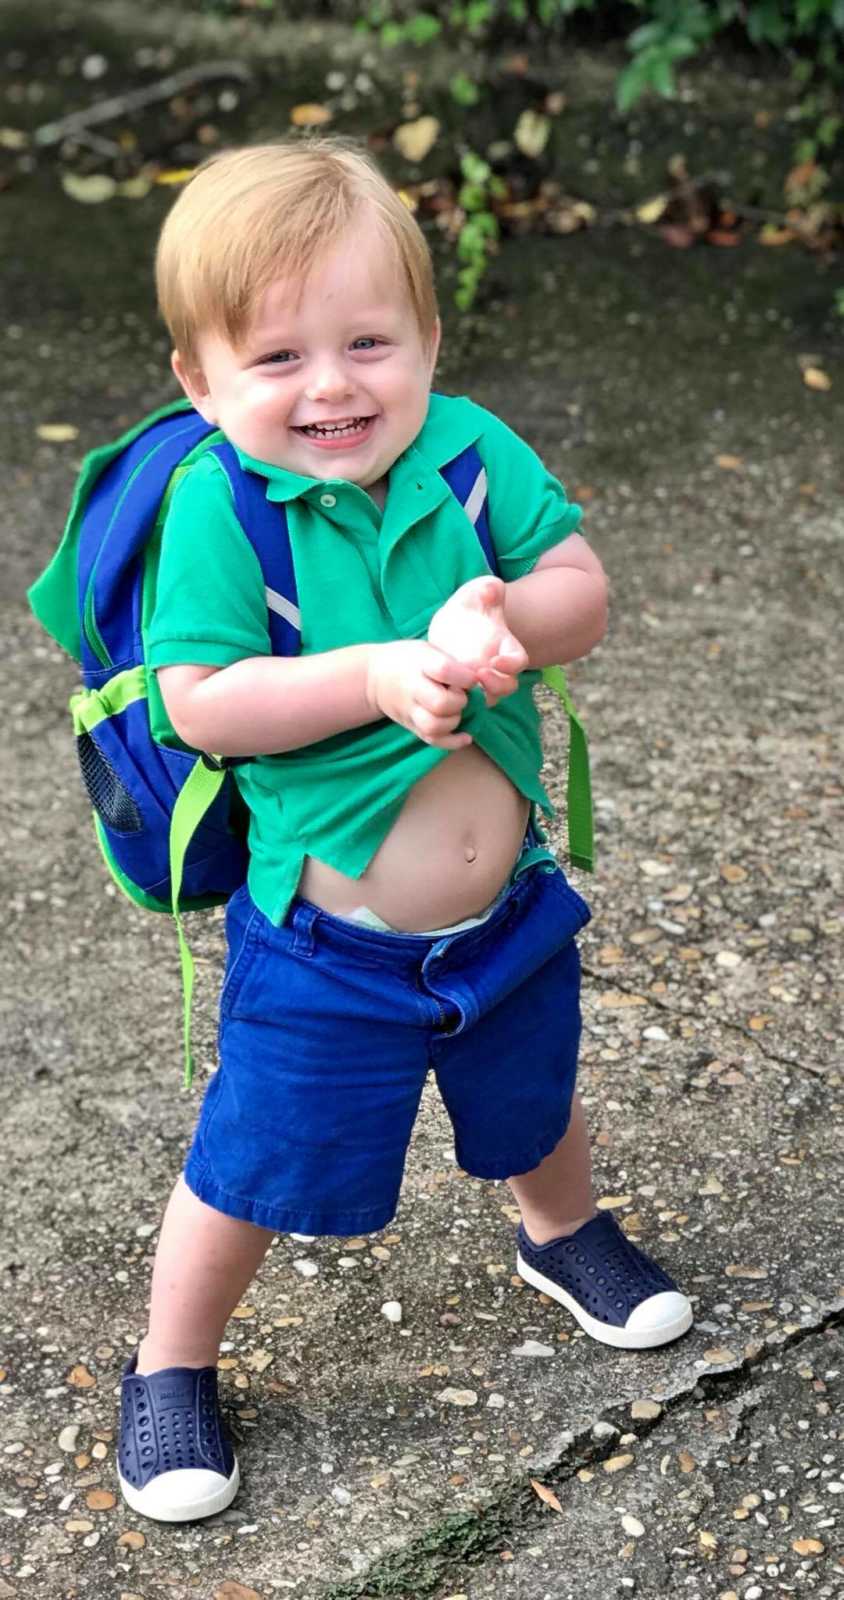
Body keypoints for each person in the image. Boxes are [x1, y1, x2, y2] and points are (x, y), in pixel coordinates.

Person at [118, 137, 692, 1524]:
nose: (333, 385)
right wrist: (374, 674)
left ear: (430, 338)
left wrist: (507, 612)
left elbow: (581, 591)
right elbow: (203, 702)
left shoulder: (472, 457)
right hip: (328, 947)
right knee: (251, 1161)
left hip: (504, 917)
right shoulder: (219, 506)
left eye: (371, 340)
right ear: (199, 382)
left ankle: (560, 1236)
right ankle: (171, 1363)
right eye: (276, 359)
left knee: (536, 1099)